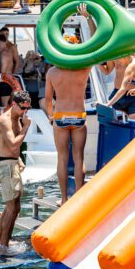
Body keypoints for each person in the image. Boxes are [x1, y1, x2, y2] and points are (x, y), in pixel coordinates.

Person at [44, 56, 92, 205]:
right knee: (79, 158)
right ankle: (78, 198)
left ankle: (64, 199)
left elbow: (47, 99)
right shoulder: (84, 69)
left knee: (62, 158)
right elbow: (97, 58)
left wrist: (51, 116)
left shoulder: (52, 72)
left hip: (61, 116)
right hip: (78, 115)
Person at [0, 91, 30, 255]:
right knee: (13, 208)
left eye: (28, 108)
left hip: (11, 163)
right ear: (14, 104)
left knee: (11, 207)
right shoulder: (5, 120)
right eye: (23, 108)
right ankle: (3, 246)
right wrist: (27, 127)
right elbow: (14, 145)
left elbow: (14, 148)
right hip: (6, 165)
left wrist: (18, 160)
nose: (25, 112)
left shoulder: (17, 118)